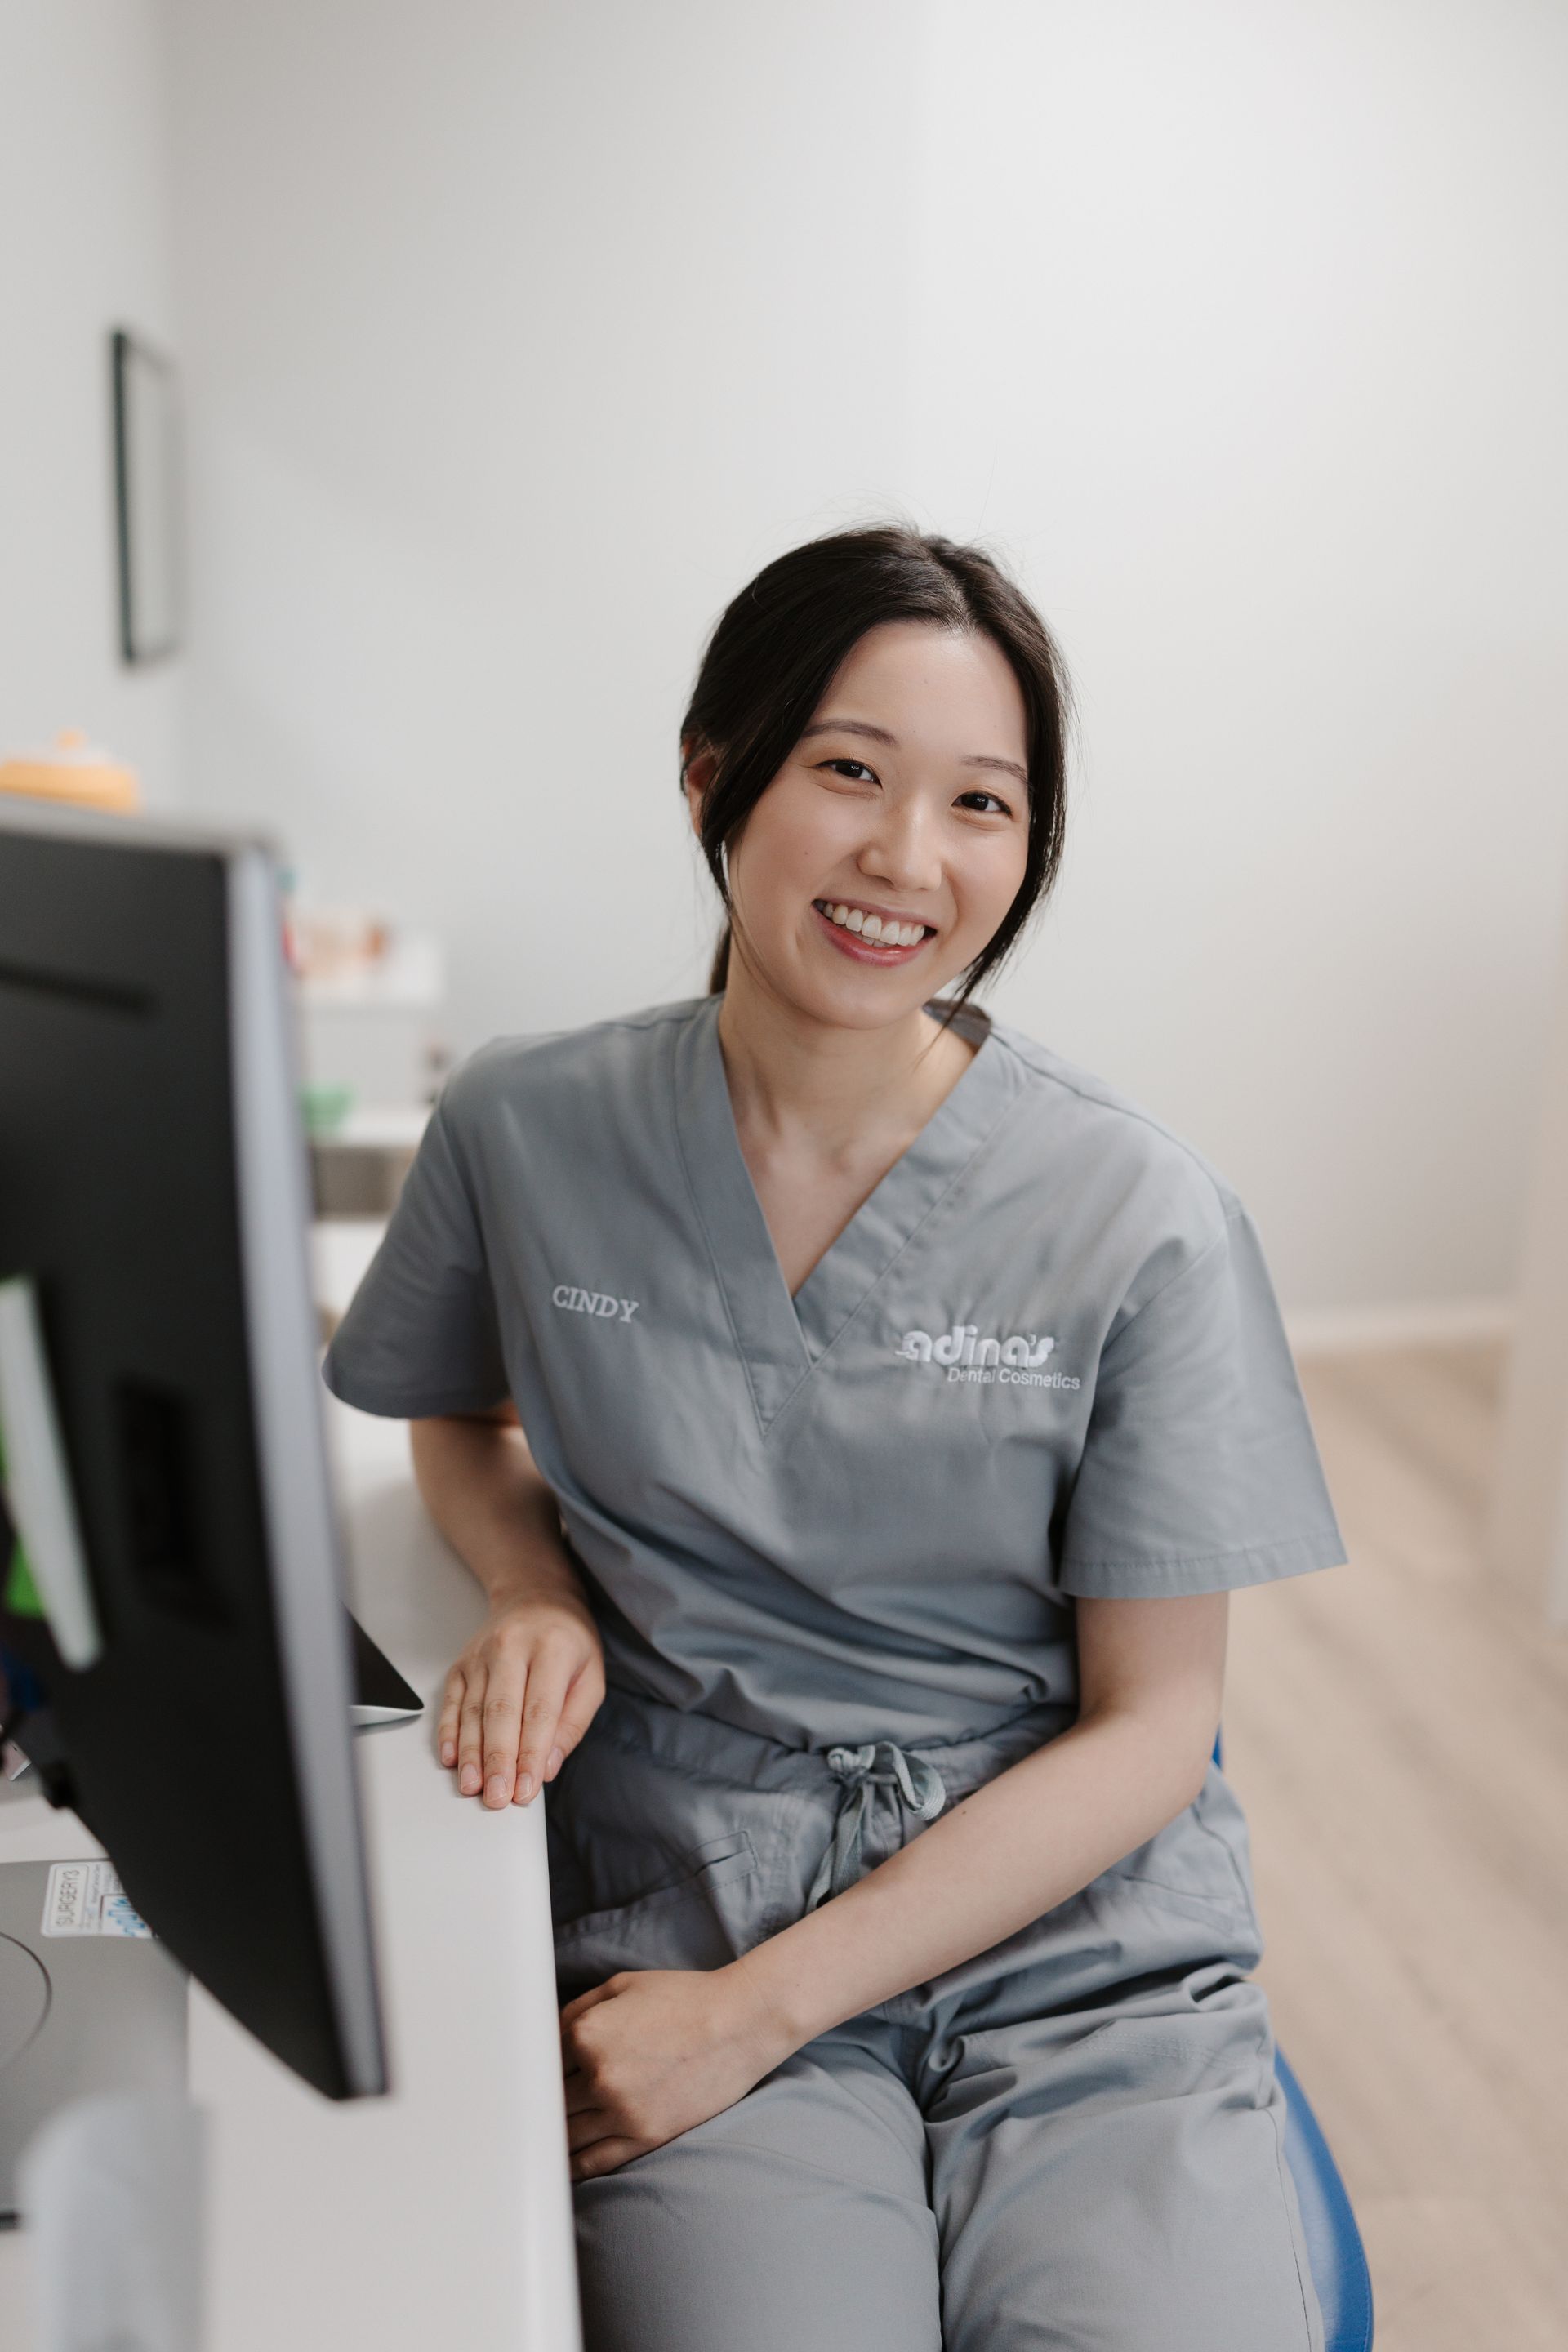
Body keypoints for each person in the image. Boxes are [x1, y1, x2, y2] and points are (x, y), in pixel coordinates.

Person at [323, 526, 1346, 2352]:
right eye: (849, 774)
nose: (907, 859)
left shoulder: (1140, 1217)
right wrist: (531, 1585)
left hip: (1074, 1946)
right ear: (716, 771)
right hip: (690, 1892)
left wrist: (765, 2011)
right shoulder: (525, 1126)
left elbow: (1153, 1729)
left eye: (982, 805)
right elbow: (454, 1418)